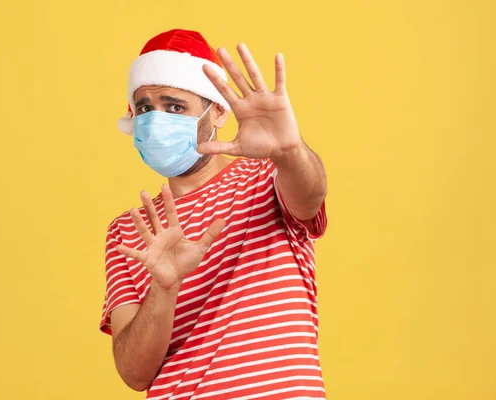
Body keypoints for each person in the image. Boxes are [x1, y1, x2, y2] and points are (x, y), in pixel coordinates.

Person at [99, 28, 328, 399]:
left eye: (175, 107)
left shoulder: (267, 177)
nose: (156, 121)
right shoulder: (128, 230)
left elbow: (310, 199)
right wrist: (164, 287)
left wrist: (288, 149)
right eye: (144, 108)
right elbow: (134, 373)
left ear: (218, 111)